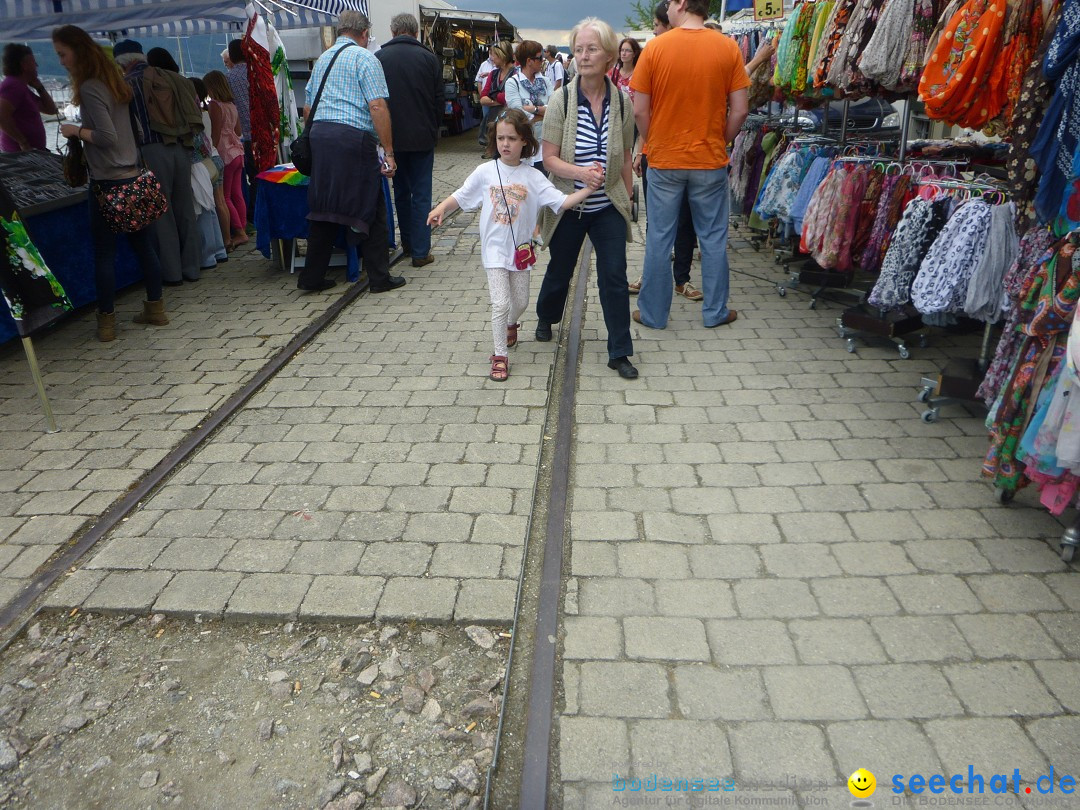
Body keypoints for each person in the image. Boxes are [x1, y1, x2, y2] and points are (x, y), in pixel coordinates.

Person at [427, 109, 595, 381]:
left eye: (512, 138)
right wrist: (441, 208)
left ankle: (511, 323)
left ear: (525, 142)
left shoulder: (533, 177)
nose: (506, 144)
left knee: (520, 302)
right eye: (501, 138)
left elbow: (561, 202)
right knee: (501, 302)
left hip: (520, 252)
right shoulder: (485, 171)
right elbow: (461, 195)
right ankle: (500, 356)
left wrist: (588, 188)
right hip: (493, 250)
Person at [631, 0, 750, 330]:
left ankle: (654, 315)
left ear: (681, 3)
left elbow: (640, 110)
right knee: (712, 239)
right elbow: (740, 110)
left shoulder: (656, 48)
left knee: (659, 238)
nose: (666, 8)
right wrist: (719, 140)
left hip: (665, 160)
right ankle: (714, 312)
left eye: (669, 2)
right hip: (709, 161)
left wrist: (653, 141)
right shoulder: (727, 48)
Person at [535, 17, 638, 380]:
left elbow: (625, 154)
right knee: (560, 269)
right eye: (578, 49)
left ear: (610, 55)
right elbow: (548, 159)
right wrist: (581, 174)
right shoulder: (561, 99)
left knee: (614, 275)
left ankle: (619, 351)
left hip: (608, 203)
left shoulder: (623, 102)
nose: (583, 56)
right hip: (568, 202)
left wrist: (628, 198)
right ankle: (546, 315)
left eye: (591, 49)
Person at [52, 25, 166, 342]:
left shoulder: (90, 87)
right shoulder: (117, 82)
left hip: (107, 183)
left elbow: (105, 137)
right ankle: (155, 308)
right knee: (145, 247)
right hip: (133, 176)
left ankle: (106, 322)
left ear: (78, 50)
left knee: (104, 254)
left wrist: (75, 131)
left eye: (62, 54)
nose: (60, 61)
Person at [298, 10, 404, 294]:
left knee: (324, 206)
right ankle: (379, 278)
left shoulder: (323, 59)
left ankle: (311, 277)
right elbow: (377, 106)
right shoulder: (365, 58)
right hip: (352, 139)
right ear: (365, 33)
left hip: (321, 135)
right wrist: (389, 152)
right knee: (372, 205)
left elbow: (308, 108)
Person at [112, 39, 203, 285]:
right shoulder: (171, 77)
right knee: (185, 208)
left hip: (152, 150)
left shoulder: (127, 84)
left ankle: (172, 274)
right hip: (181, 148)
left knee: (163, 213)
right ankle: (192, 267)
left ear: (122, 62)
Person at [376, 12, 443, 268]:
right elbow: (439, 101)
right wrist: (434, 127)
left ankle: (406, 243)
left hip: (391, 138)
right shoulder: (429, 58)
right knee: (422, 194)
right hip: (422, 137)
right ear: (415, 33)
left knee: (401, 193)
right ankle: (420, 251)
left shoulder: (379, 58)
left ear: (393, 32)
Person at [202, 70, 248, 251]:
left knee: (225, 196)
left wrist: (210, 148)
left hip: (225, 153)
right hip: (237, 152)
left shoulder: (215, 105)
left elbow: (215, 133)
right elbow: (237, 131)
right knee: (238, 194)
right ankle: (242, 227)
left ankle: (239, 232)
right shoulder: (232, 105)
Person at [190, 76, 230, 269]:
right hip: (215, 159)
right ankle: (221, 247)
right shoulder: (206, 111)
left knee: (205, 207)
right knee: (216, 204)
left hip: (201, 164)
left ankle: (209, 255)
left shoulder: (193, 116)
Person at [0, 44, 57, 153]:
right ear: (24, 65)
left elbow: (51, 110)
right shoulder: (13, 85)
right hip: (20, 156)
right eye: (33, 62)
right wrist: (23, 142)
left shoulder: (21, 87)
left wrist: (40, 87)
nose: (36, 65)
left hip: (30, 155)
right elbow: (2, 116)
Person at [505, 41, 549, 169]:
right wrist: (542, 113)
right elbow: (517, 113)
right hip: (523, 147)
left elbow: (555, 110)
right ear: (529, 61)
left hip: (544, 146)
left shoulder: (545, 82)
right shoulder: (513, 82)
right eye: (540, 58)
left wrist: (533, 109)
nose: (543, 61)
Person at [224, 39, 254, 227]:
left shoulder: (229, 79)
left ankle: (251, 218)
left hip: (242, 137)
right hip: (263, 133)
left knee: (247, 180)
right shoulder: (256, 73)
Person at [478, 42, 515, 147]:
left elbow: (510, 98)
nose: (492, 58)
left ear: (501, 55)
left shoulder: (516, 73)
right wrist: (500, 100)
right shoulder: (493, 74)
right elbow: (483, 99)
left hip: (511, 122)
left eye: (494, 54)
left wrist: (493, 96)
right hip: (494, 124)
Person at [474, 46, 496, 146]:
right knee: (487, 120)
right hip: (485, 97)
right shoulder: (484, 64)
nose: (492, 54)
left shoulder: (500, 65)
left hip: (496, 97)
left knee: (494, 120)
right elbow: (478, 81)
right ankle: (488, 143)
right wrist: (481, 94)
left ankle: (493, 143)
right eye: (491, 52)